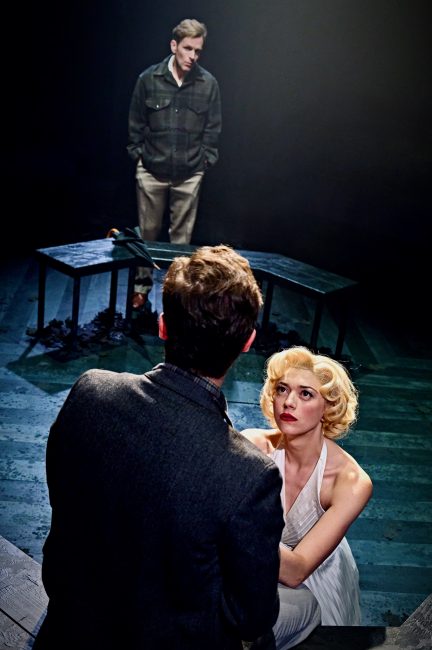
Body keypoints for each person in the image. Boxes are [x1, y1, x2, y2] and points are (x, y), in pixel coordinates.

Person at [34, 245, 285, 650]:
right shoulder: (250, 474)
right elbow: (250, 618)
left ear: (163, 326)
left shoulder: (89, 391)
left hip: (69, 625)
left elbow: (64, 501)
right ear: (248, 341)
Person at [242, 346, 373, 649]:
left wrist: (232, 534)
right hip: (253, 567)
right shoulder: (252, 444)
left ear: (328, 408)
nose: (288, 402)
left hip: (313, 583)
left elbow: (297, 570)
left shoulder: (351, 481)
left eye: (305, 394)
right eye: (282, 389)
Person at [127, 18, 222, 310]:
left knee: (180, 242)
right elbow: (136, 122)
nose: (193, 56)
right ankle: (141, 288)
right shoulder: (149, 79)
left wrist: (205, 160)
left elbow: (213, 128)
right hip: (151, 170)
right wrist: (138, 155)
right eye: (188, 48)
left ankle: (174, 295)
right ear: (174, 46)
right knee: (148, 233)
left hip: (189, 172)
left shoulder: (207, 84)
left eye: (198, 51)